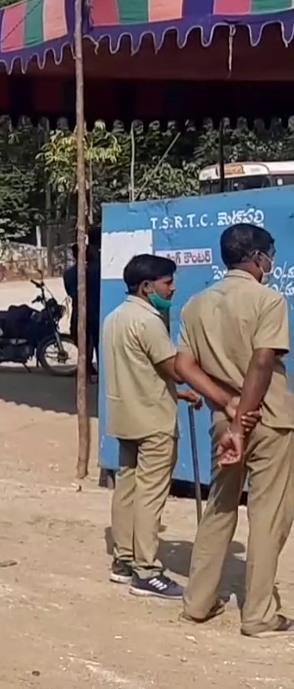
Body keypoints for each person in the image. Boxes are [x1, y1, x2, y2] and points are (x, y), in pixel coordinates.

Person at [178, 222, 294, 635]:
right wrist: (245, 420)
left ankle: (198, 601)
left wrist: (229, 407)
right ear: (258, 257)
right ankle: (259, 614)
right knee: (268, 516)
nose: (272, 263)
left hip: (224, 421)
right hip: (269, 419)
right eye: (270, 255)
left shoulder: (195, 304)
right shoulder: (268, 300)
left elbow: (185, 366)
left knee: (220, 507)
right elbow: (263, 362)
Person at [102, 253, 224, 598]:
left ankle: (123, 560)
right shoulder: (148, 322)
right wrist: (207, 388)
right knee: (151, 494)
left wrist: (180, 393)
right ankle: (146, 570)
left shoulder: (115, 318)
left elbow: (145, 369)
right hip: (153, 419)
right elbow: (171, 366)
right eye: (167, 282)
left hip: (125, 415)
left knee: (127, 489)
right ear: (146, 286)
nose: (172, 289)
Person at [65, 226, 103, 372]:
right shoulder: (99, 270)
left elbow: (71, 293)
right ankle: (100, 371)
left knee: (84, 344)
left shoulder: (69, 274)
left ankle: (87, 369)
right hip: (97, 313)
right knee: (99, 343)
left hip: (80, 313)